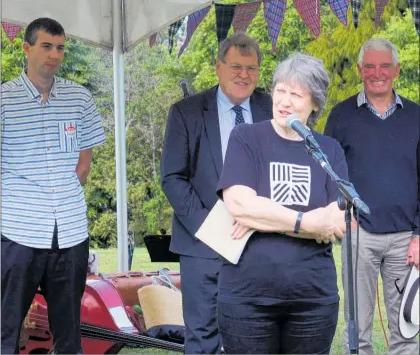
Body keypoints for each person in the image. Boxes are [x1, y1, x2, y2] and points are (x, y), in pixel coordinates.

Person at [216, 53, 348, 354]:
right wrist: (306, 223)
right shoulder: (246, 138)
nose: (284, 101)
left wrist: (265, 219)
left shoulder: (329, 150)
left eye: (296, 94)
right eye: (280, 90)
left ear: (315, 103)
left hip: (312, 301)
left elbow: (337, 220)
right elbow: (239, 204)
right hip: (246, 300)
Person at [160, 33, 272, 354]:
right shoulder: (187, 112)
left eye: (251, 68)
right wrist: (214, 229)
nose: (244, 74)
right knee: (202, 338)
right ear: (218, 68)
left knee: (256, 337)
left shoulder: (274, 108)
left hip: (260, 245)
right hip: (202, 246)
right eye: (236, 66)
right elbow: (172, 178)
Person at [1, 17, 106, 354]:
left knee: (69, 336)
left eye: (60, 47)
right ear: (27, 48)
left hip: (71, 233)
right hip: (18, 233)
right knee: (5, 331)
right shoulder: (4, 100)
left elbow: (84, 165)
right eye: (46, 46)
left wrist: (57, 198)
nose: (55, 54)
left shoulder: (80, 99)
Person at [324, 37, 419, 355]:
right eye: (370, 66)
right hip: (358, 236)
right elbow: (327, 173)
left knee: (407, 330)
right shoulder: (341, 116)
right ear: (359, 70)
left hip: (407, 239)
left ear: (397, 69)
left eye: (384, 66)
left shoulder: (417, 116)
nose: (377, 73)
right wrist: (343, 221)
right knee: (358, 333)